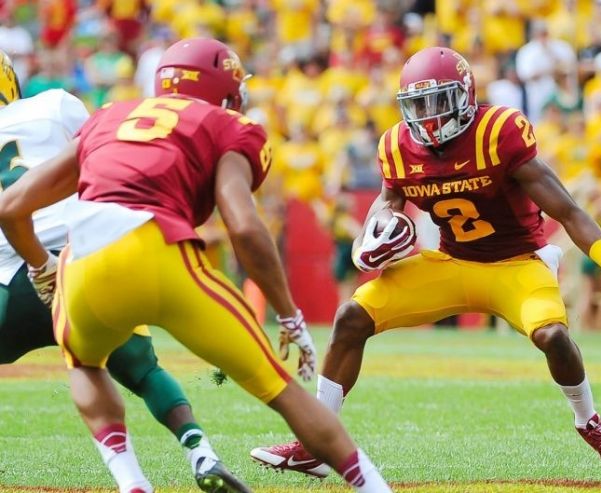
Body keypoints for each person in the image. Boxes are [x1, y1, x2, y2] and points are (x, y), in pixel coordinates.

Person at [0, 38, 391, 493]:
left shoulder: (110, 115)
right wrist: (288, 313)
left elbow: (11, 207)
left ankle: (133, 482)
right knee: (281, 390)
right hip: (158, 249)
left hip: (80, 266)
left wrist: (42, 268)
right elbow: (243, 226)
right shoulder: (229, 124)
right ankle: (372, 487)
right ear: (226, 90)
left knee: (85, 364)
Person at [251, 46, 601, 477]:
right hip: (451, 263)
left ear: (467, 96)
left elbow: (567, 210)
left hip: (518, 264)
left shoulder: (498, 132)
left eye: (438, 102)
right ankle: (317, 444)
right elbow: (387, 202)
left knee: (553, 337)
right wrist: (372, 236)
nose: (428, 116)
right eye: (417, 105)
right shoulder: (398, 146)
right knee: (351, 317)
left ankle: (589, 421)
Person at [0, 50, 247, 493]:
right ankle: (201, 451)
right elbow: (105, 151)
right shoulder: (54, 104)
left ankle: (134, 481)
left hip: (11, 277)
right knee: (142, 369)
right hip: (84, 259)